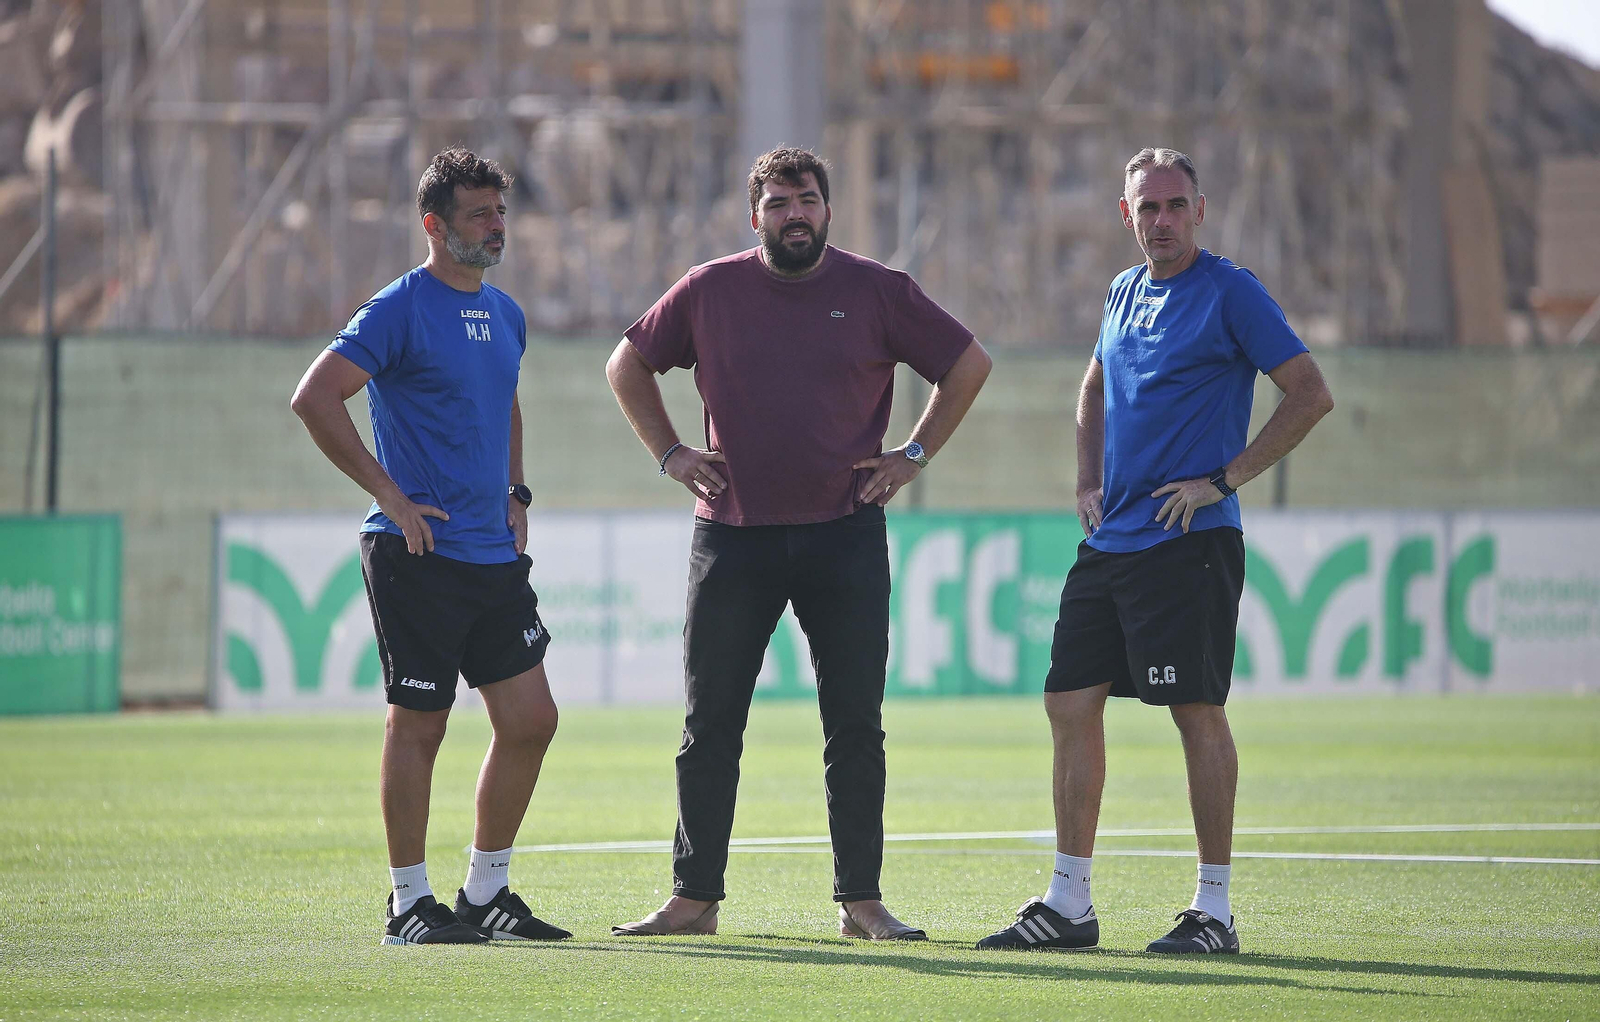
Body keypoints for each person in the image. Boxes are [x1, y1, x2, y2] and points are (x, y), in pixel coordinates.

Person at [605, 147, 992, 940]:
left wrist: (912, 455)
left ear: (827, 210)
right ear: (756, 216)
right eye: (778, 203)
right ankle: (693, 899)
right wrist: (671, 453)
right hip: (731, 537)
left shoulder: (877, 290)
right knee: (710, 723)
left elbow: (969, 364)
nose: (794, 214)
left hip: (843, 533)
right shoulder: (710, 289)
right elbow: (627, 363)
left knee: (855, 724)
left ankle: (862, 901)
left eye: (807, 200)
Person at [976, 147, 1334, 955]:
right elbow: (1094, 384)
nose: (1162, 221)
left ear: (1200, 210)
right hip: (1113, 538)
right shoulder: (1124, 290)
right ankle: (1069, 904)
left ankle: (1215, 912)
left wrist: (1225, 479)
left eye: (1175, 206)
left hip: (1188, 539)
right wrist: (1083, 479)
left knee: (1193, 711)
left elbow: (1311, 392)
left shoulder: (1231, 291)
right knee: (1068, 701)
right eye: (1148, 208)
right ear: (1126, 214)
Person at [290, 147, 569, 946]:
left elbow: (505, 399)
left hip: (492, 555)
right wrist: (388, 495)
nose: (496, 228)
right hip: (416, 554)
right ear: (434, 225)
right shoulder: (398, 308)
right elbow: (315, 398)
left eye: (500, 213)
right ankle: (408, 904)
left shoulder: (505, 313)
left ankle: (486, 895)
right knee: (421, 724)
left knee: (531, 721)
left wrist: (517, 493)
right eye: (480, 215)